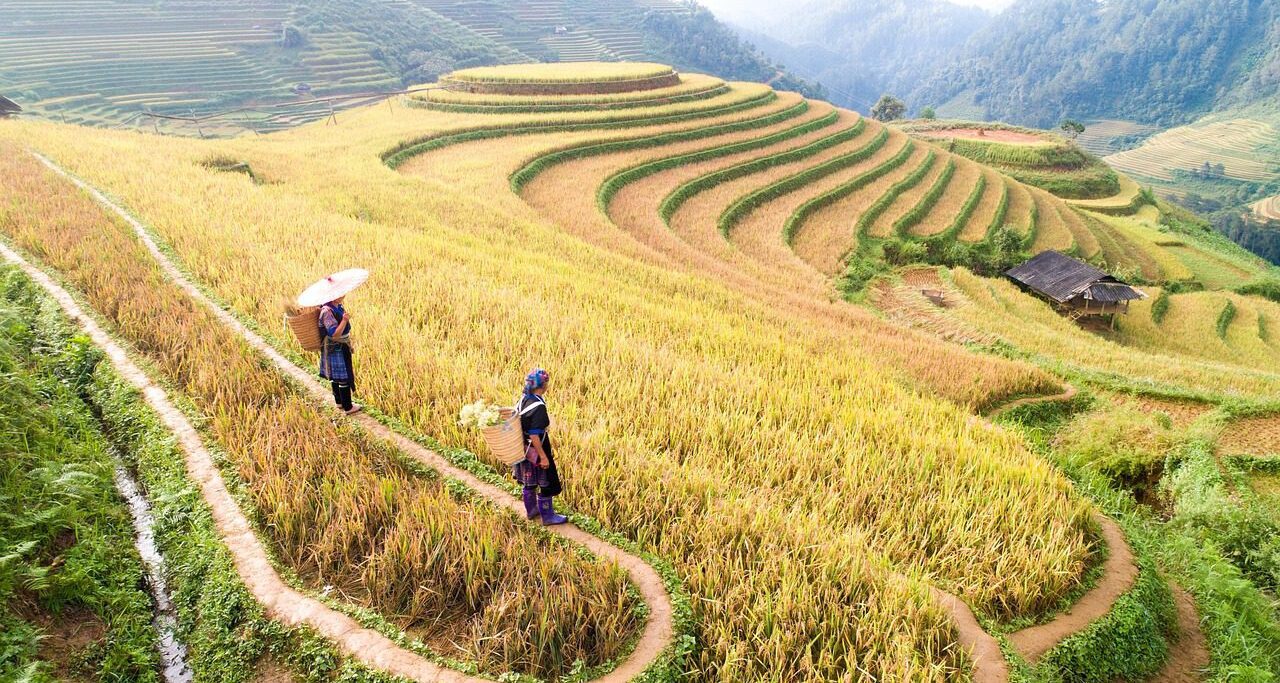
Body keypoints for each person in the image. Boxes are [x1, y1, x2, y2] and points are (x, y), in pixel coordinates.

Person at [514, 368, 566, 525]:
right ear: (543, 385)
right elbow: (535, 435)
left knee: (529, 481)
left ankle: (531, 511)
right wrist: (543, 457)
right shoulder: (538, 406)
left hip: (524, 449)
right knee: (546, 482)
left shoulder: (524, 399)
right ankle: (548, 517)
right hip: (536, 449)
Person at [318, 296, 361, 415]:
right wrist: (344, 320)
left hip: (341, 345)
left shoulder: (338, 307)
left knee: (336, 375)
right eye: (339, 294)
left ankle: (339, 402)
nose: (342, 296)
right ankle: (348, 407)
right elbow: (335, 334)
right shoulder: (326, 311)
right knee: (342, 377)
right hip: (335, 347)